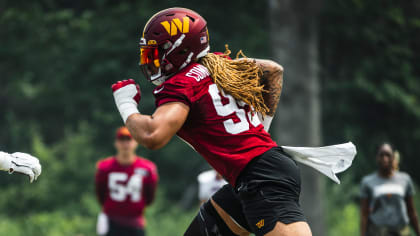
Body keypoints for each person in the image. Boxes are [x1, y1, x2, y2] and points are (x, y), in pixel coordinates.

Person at [111, 7, 312, 236]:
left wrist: (125, 103)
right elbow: (272, 70)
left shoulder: (182, 83)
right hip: (253, 174)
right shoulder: (218, 64)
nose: (150, 62)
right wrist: (260, 127)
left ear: (180, 50)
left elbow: (152, 136)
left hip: (262, 177)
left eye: (155, 54)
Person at [95, 127, 158, 236]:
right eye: (122, 140)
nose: (125, 144)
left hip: (135, 223)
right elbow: (100, 194)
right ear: (116, 143)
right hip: (111, 222)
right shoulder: (105, 167)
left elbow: (149, 197)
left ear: (136, 142)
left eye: (129, 140)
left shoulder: (147, 169)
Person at [360, 143, 420, 236]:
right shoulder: (368, 182)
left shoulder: (405, 179)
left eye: (388, 155)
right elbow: (364, 214)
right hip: (378, 231)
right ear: (377, 158)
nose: (385, 158)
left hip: (401, 231)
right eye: (381, 155)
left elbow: (411, 211)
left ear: (393, 157)